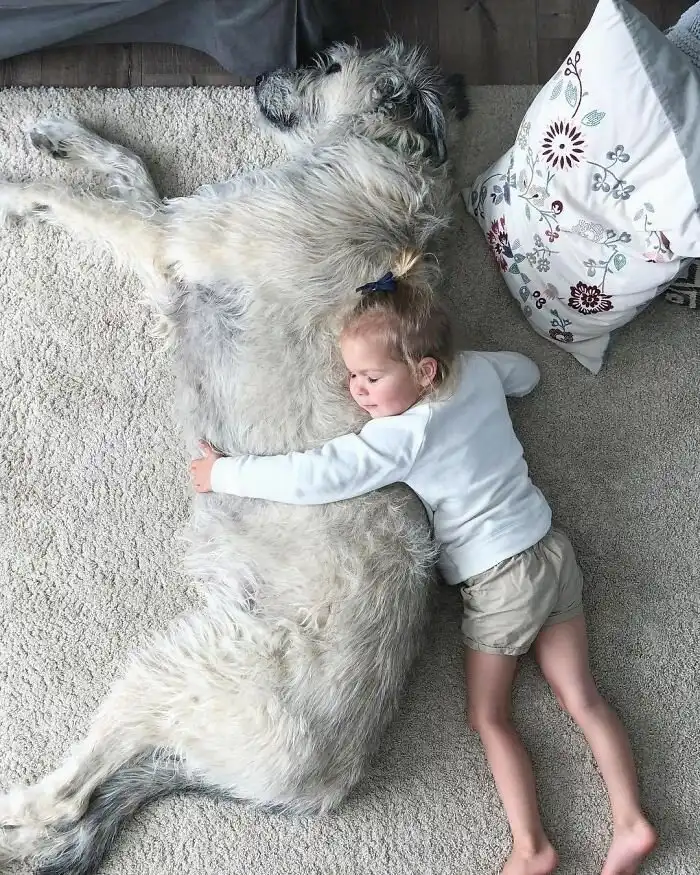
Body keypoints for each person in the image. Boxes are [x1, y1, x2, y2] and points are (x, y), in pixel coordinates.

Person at [190, 253, 656, 875]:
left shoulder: (402, 435)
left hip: (499, 579)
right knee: (582, 696)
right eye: (351, 376)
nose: (356, 390)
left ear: (424, 371)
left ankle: (533, 848)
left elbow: (317, 474)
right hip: (551, 550)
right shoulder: (475, 372)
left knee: (490, 715)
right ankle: (631, 821)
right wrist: (496, 381)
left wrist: (223, 472)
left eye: (371, 377)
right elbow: (525, 374)